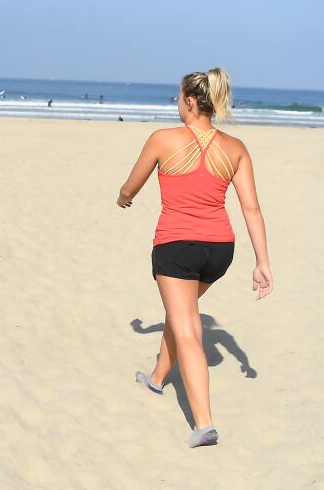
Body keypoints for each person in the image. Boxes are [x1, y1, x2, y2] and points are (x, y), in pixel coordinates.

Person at [116, 68, 272, 448]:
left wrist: (124, 197)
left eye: (178, 97)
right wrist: (262, 262)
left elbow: (131, 185)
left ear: (189, 101)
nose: (176, 103)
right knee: (181, 311)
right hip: (221, 250)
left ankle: (204, 424)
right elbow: (251, 208)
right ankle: (156, 379)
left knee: (187, 327)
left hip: (177, 247)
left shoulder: (162, 139)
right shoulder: (235, 147)